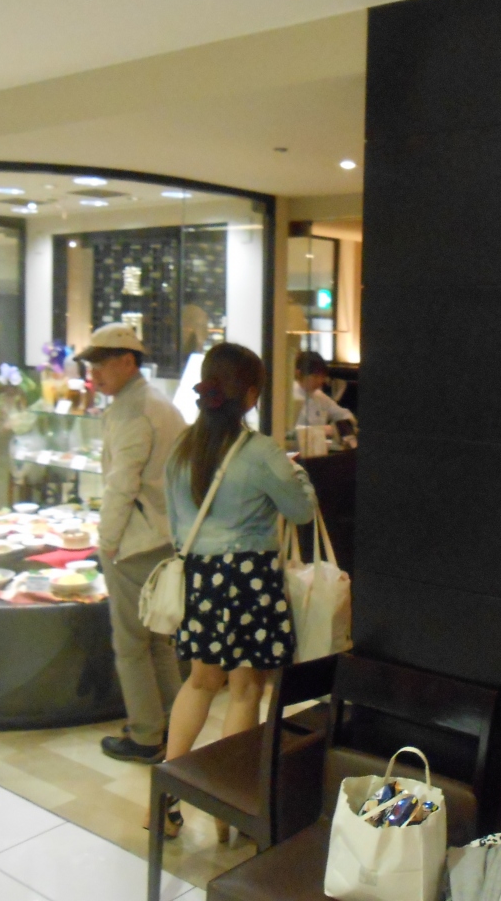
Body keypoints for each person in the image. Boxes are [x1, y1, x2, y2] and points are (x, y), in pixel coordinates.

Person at [158, 342, 317, 839]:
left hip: (201, 579)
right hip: (249, 580)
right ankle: (227, 811)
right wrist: (299, 475)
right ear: (249, 395)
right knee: (245, 690)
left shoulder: (182, 449)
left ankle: (161, 801)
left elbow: (176, 525)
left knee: (199, 683)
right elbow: (301, 511)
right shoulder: (260, 452)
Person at [76, 325, 188, 764]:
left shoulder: (134, 411)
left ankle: (145, 736)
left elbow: (121, 485)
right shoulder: (156, 401)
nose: (95, 373)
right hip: (165, 538)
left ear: (128, 361)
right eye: (91, 365)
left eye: (101, 364)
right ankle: (174, 727)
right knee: (158, 641)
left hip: (136, 543)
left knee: (131, 645)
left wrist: (106, 541)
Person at [293, 351, 356, 441]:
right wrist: (321, 430)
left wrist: (336, 428)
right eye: (315, 376)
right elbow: (291, 432)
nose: (320, 381)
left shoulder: (320, 397)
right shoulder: (289, 396)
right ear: (299, 374)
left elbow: (345, 415)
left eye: (322, 376)